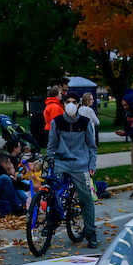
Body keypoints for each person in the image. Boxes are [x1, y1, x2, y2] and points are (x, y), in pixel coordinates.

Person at [47, 97, 99, 248]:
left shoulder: (85, 122)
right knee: (52, 190)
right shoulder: (56, 122)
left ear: (78, 105)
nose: (71, 105)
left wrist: (91, 164)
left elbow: (91, 146)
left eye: (74, 102)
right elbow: (52, 145)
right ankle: (50, 220)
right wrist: (51, 160)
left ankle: (90, 232)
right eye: (68, 101)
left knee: (86, 198)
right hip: (61, 163)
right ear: (63, 104)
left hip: (80, 164)